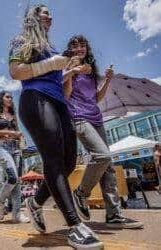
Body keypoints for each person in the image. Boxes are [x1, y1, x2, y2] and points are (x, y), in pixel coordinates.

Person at [9, 4, 103, 249]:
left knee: (70, 162)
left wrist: (71, 70)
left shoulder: (51, 47)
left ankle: (36, 203)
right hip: (35, 99)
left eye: (51, 13)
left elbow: (60, 84)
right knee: (53, 159)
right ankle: (74, 226)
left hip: (59, 103)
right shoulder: (22, 40)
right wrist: (52, 64)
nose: (50, 16)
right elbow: (15, 72)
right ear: (33, 17)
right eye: (44, 12)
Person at [63, 35, 143, 229]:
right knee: (102, 155)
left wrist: (106, 80)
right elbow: (64, 94)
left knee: (107, 165)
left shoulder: (90, 73)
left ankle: (114, 214)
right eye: (75, 45)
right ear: (70, 50)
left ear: (87, 49)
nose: (79, 48)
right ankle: (81, 193)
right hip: (79, 118)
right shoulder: (67, 68)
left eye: (82, 45)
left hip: (96, 119)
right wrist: (73, 71)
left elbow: (96, 98)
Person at [0, 90, 30, 224]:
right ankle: (0, 202)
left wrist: (20, 136)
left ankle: (16, 214)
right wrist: (7, 132)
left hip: (16, 148)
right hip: (2, 147)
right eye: (7, 97)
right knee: (12, 177)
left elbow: (17, 131)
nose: (10, 99)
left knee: (17, 181)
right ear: (1, 99)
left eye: (11, 97)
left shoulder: (13, 115)